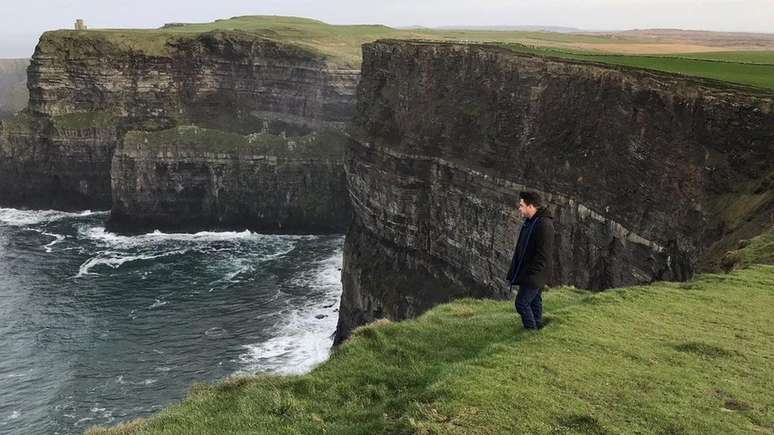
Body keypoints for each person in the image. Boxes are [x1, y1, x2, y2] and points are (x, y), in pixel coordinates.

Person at [506, 191, 555, 331]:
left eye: (522, 205)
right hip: (532, 272)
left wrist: (529, 274)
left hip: (535, 274)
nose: (519, 209)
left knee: (521, 303)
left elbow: (543, 255)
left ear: (531, 206)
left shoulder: (544, 225)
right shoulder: (531, 222)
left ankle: (530, 331)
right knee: (534, 300)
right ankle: (538, 325)